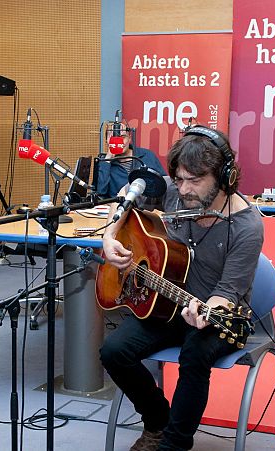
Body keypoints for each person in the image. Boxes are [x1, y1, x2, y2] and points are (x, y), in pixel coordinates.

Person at [99, 126, 263, 451]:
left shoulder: (247, 227)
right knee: (114, 351)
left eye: (195, 180)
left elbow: (226, 295)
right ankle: (158, 422)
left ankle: (174, 444)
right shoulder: (176, 193)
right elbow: (122, 206)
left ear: (224, 176)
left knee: (195, 353)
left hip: (217, 317)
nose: (184, 189)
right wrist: (110, 237)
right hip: (165, 304)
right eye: (179, 179)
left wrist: (207, 310)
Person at [96, 120, 166, 198]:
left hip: (146, 207)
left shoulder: (147, 155)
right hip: (117, 206)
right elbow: (100, 193)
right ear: (107, 140)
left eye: (123, 137)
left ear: (129, 138)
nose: (119, 142)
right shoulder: (103, 163)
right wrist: (107, 160)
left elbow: (164, 184)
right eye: (114, 137)